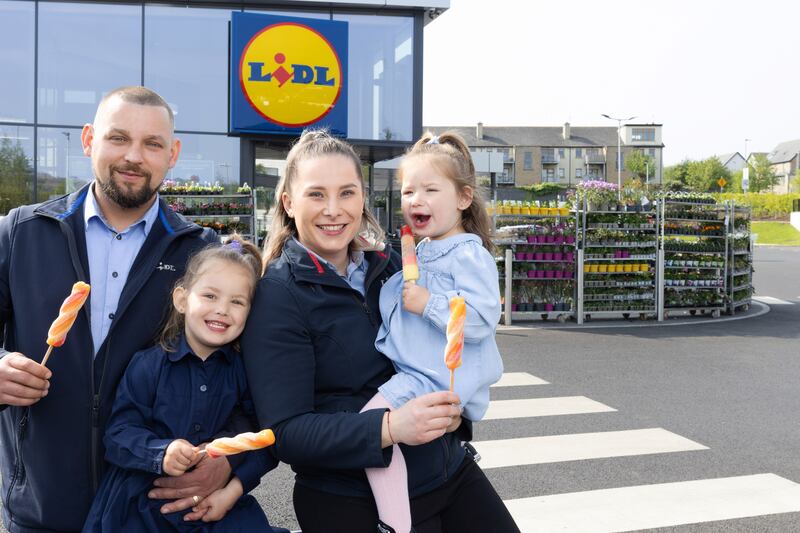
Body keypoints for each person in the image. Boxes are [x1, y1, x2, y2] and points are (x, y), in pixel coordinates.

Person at [241, 130, 519, 533]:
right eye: (316, 194)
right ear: (288, 201)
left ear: (363, 198)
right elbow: (287, 433)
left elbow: (452, 336)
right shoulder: (278, 295)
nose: (333, 210)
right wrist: (389, 428)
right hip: (350, 498)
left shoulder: (390, 267)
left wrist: (459, 404)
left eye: (347, 193)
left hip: (446, 471)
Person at [0, 86, 234, 533]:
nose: (134, 156)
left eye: (152, 144)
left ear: (173, 154)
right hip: (39, 511)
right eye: (118, 138)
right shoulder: (22, 232)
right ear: (89, 139)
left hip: (152, 515)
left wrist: (231, 467)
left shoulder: (202, 253)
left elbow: (245, 378)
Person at [83, 237, 287, 533]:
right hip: (143, 505)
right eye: (210, 296)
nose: (222, 310)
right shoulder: (149, 365)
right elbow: (118, 435)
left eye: (237, 302)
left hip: (214, 504)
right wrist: (161, 452)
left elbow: (262, 439)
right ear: (182, 299)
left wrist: (232, 491)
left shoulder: (244, 372)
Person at [361, 131, 506, 533]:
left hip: (433, 377)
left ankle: (394, 523)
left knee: (371, 429)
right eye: (408, 191)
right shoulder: (424, 248)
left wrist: (429, 304)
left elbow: (480, 317)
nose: (415, 200)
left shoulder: (468, 253)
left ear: (463, 198)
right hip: (421, 373)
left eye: (430, 189)